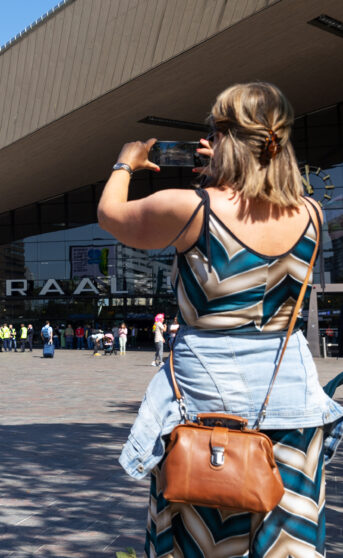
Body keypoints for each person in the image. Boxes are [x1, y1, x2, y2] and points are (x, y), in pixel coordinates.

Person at [98, 82, 343, 555]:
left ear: (223, 138)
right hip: (291, 397)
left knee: (200, 537)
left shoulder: (192, 207)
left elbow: (110, 214)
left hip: (208, 407)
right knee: (287, 539)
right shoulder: (311, 212)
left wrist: (125, 161)